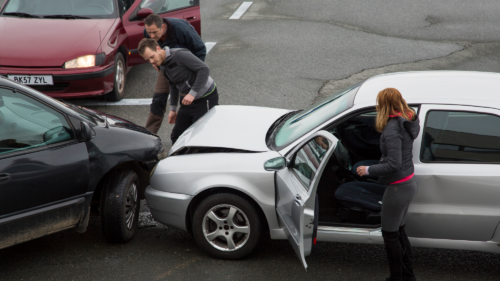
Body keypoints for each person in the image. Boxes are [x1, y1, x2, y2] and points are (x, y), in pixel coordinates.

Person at [356, 88, 420, 281]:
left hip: (397, 188)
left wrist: (368, 170)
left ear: (384, 105)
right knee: (399, 232)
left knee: (390, 234)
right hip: (408, 183)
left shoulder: (392, 128)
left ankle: (396, 278)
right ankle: (408, 276)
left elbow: (394, 163)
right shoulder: (408, 119)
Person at [138, 38, 218, 144]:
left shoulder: (179, 55)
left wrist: (192, 93)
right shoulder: (161, 64)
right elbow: (172, 83)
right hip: (188, 100)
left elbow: (204, 69)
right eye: (148, 60)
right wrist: (173, 109)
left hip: (205, 96)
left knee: (200, 135)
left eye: (152, 57)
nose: (152, 61)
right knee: (177, 135)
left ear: (158, 48)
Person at [142, 14, 207, 134]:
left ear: (162, 27)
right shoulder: (149, 33)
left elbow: (200, 50)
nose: (151, 36)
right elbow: (149, 50)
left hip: (185, 68)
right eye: (148, 32)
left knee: (187, 103)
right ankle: (149, 136)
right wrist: (155, 64)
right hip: (165, 68)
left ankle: (193, 135)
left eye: (154, 32)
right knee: (158, 100)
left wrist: (191, 73)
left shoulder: (181, 29)